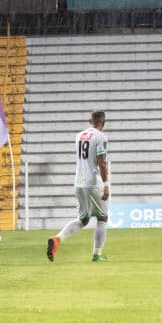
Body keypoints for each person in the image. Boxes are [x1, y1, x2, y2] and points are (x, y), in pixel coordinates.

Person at [47, 109, 110, 262]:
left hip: (78, 183)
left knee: (84, 219)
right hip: (93, 182)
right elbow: (102, 162)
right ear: (103, 123)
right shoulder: (101, 137)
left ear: (90, 121)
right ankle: (97, 254)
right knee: (102, 217)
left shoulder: (79, 136)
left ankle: (57, 239)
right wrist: (106, 185)